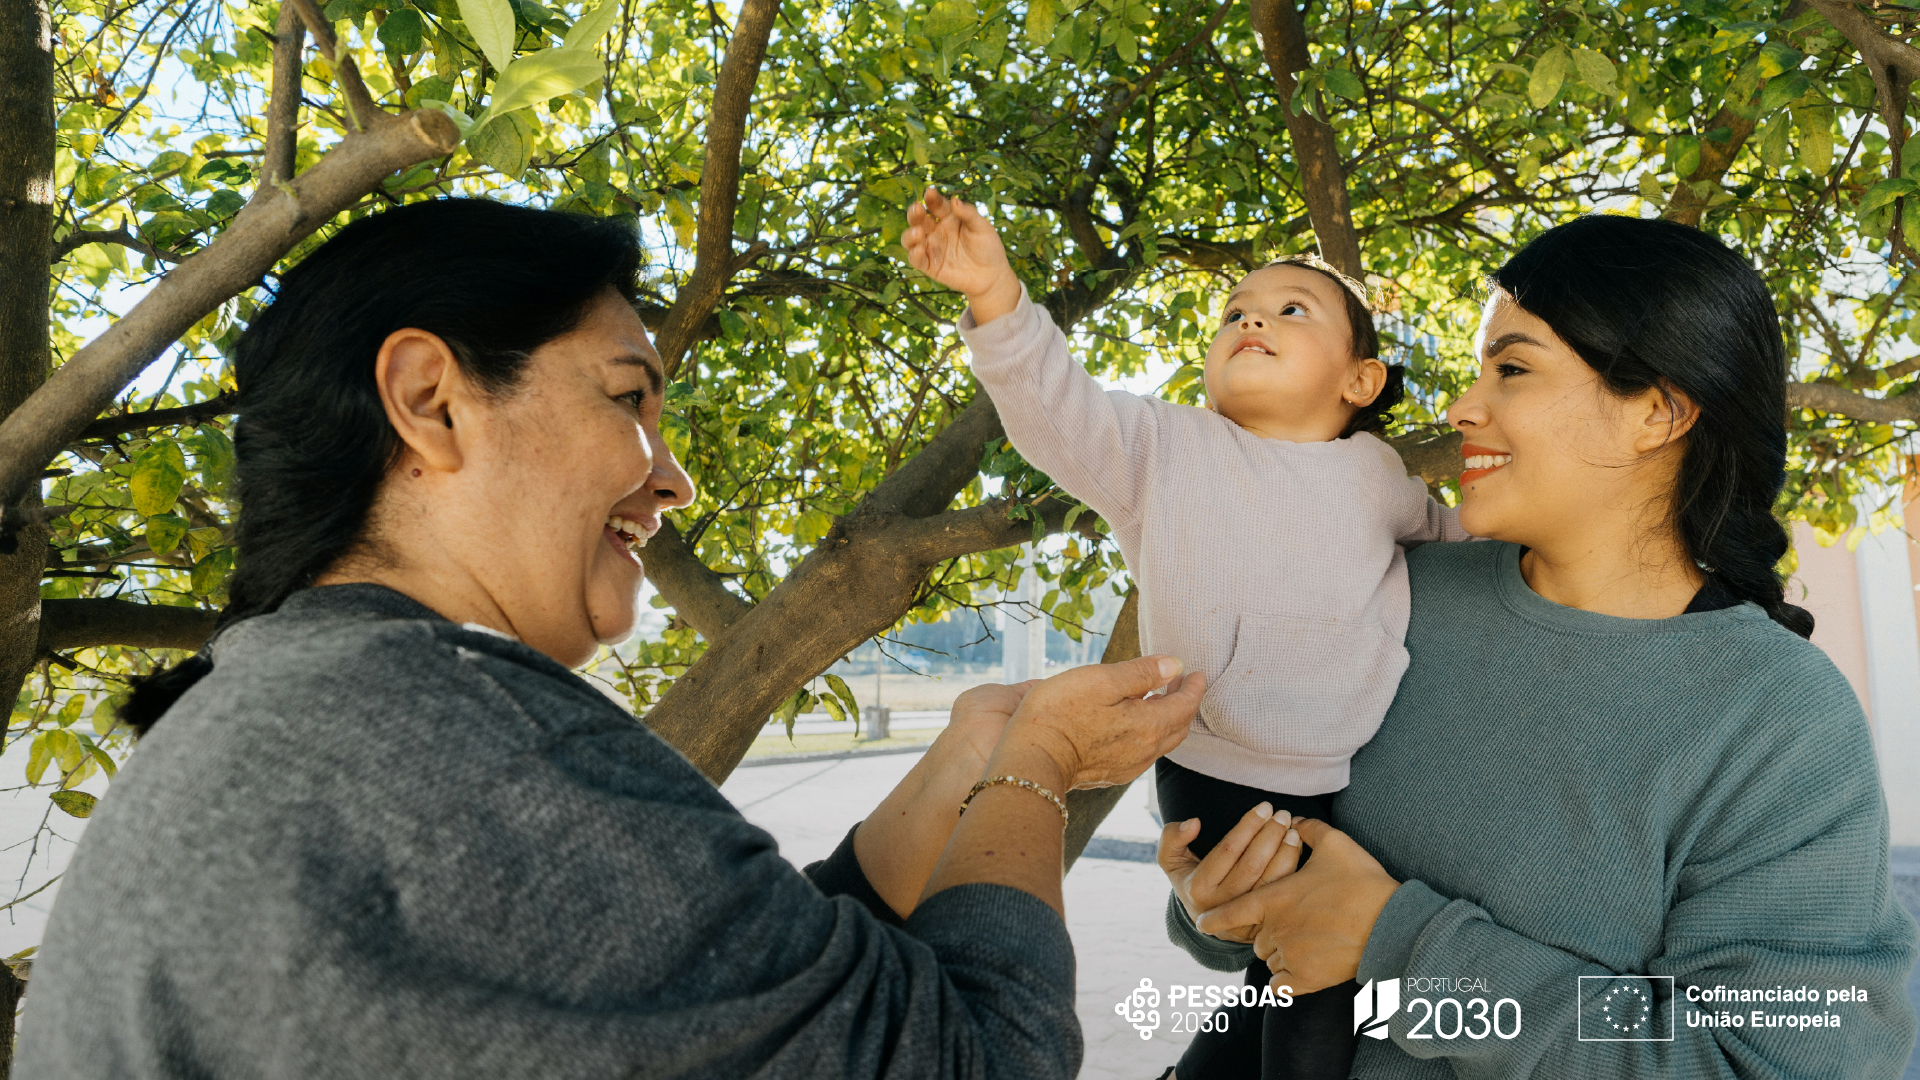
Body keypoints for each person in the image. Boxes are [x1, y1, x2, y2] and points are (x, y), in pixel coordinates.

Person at [15, 198, 1209, 1079]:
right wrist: (1031, 771)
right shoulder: (456, 739)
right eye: (628, 397)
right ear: (431, 400)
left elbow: (750, 976)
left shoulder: (313, 707)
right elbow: (972, 1062)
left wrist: (965, 758)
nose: (674, 479)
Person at [1155, 215, 1920, 1077]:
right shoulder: (1398, 590)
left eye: (1512, 369)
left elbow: (1761, 1060)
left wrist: (1402, 954)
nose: (1462, 408)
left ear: (1658, 413)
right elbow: (1276, 907)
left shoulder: (1778, 720)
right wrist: (1217, 898)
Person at [902, 187, 1467, 1079]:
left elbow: (1457, 548)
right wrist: (996, 299)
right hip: (1219, 773)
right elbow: (1059, 414)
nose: (1252, 319)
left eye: (1291, 309)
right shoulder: (1167, 451)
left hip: (1347, 777)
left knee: (1308, 983)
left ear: (1360, 380)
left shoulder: (1380, 475)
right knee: (1306, 984)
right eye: (1234, 311)